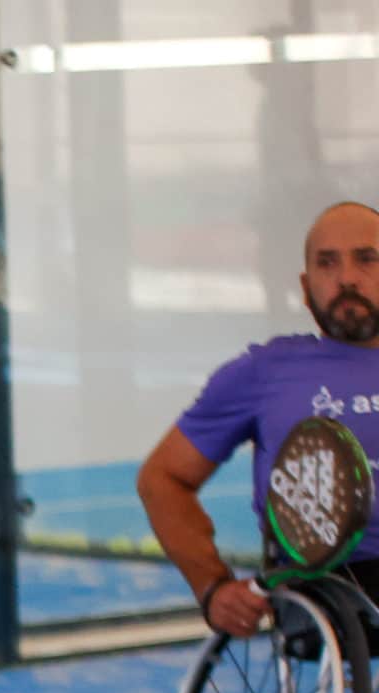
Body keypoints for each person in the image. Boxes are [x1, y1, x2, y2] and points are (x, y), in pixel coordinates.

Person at [139, 200, 379, 636]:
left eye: (367, 259)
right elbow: (163, 478)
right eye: (327, 264)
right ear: (306, 289)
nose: (347, 278)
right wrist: (212, 587)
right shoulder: (265, 372)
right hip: (326, 587)